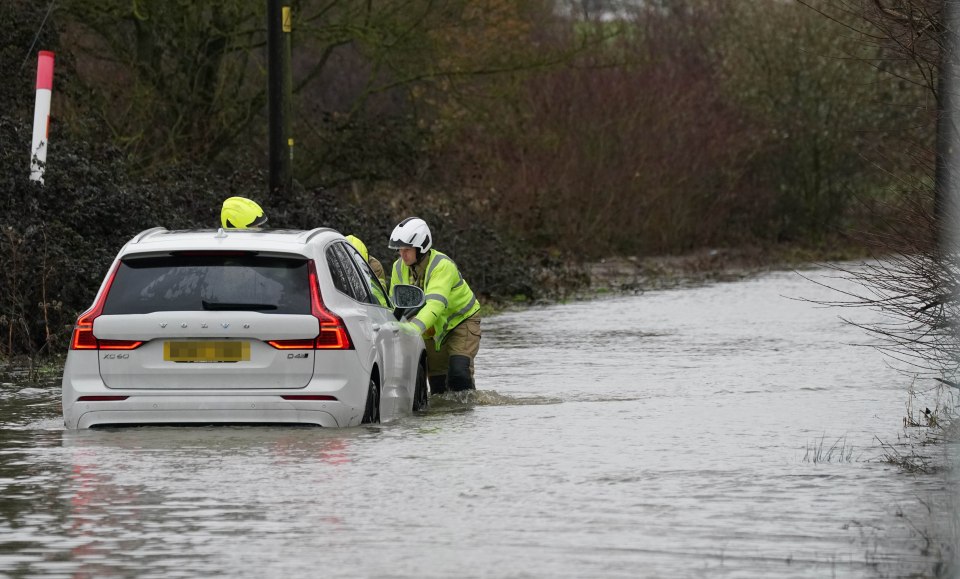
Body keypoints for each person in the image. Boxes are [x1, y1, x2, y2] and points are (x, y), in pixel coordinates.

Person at [388, 217, 481, 393]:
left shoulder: (442, 265)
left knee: (459, 374)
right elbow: (397, 303)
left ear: (422, 247)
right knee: (438, 386)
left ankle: (467, 416)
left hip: (461, 321)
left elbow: (435, 304)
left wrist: (413, 329)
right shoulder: (398, 267)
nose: (402, 254)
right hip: (431, 327)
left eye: (407, 249)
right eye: (400, 250)